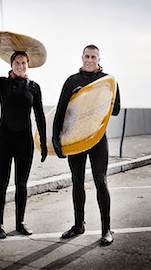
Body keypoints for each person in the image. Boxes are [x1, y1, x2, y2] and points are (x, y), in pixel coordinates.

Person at [0, 41, 47, 239]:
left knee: (22, 184)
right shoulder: (2, 84)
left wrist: (44, 143)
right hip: (4, 141)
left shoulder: (34, 87)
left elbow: (39, 115)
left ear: (28, 65)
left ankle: (20, 223)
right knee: (1, 184)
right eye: (17, 63)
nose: (21, 66)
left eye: (24, 63)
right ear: (11, 64)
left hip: (25, 142)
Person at [52, 45, 120, 246]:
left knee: (101, 181)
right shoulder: (72, 81)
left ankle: (106, 229)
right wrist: (56, 140)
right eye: (87, 56)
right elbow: (60, 111)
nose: (90, 59)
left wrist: (98, 98)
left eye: (93, 57)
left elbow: (115, 110)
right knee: (77, 181)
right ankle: (78, 225)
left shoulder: (108, 80)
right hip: (76, 140)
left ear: (99, 58)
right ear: (82, 57)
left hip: (98, 139)